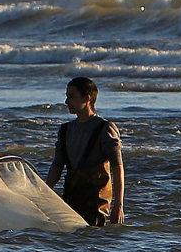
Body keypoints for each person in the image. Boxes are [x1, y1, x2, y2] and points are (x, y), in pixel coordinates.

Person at [45, 76, 125, 226]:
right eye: (67, 96)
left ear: (87, 99)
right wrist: (43, 191)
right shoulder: (65, 130)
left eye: (72, 96)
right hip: (71, 198)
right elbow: (57, 166)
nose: (66, 102)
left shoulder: (105, 129)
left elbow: (117, 167)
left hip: (96, 203)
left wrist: (118, 205)